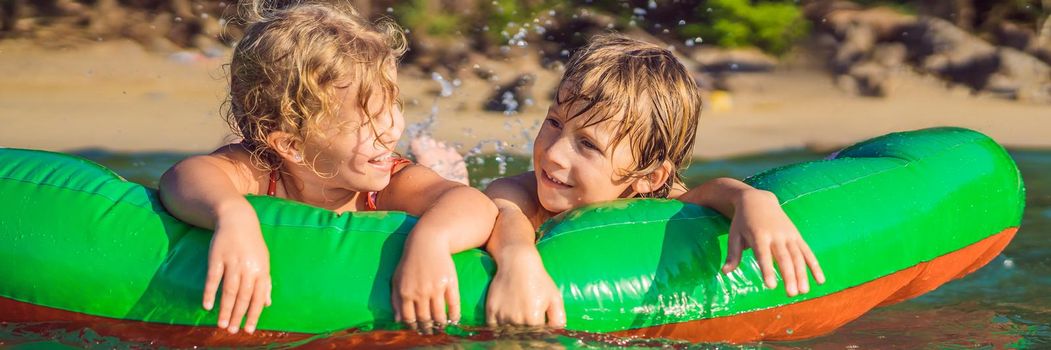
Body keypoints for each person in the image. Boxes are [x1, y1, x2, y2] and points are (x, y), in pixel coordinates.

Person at [416, 35, 826, 328]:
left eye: (588, 145)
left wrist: (753, 201)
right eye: (554, 122)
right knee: (470, 202)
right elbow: (504, 208)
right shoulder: (526, 192)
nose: (554, 153)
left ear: (649, 177)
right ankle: (451, 183)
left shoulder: (659, 206)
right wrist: (519, 257)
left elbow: (708, 194)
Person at [158, 1, 496, 335]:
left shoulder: (387, 182)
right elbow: (184, 176)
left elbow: (474, 204)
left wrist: (431, 240)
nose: (392, 128)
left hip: (392, 185)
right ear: (291, 146)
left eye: (393, 104)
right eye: (368, 119)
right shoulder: (263, 169)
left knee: (437, 187)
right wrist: (231, 214)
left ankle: (444, 168)